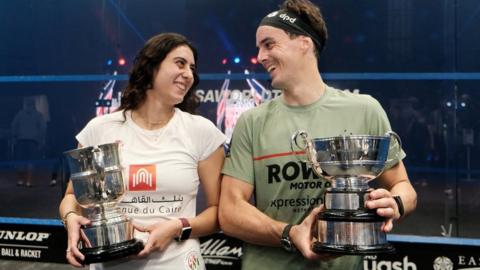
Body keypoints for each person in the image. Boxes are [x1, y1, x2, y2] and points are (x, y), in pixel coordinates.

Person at [218, 0, 417, 269]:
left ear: (304, 42)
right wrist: (290, 233)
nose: (261, 56)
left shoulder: (365, 109)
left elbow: (405, 188)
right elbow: (229, 212)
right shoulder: (251, 122)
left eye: (269, 44)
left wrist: (394, 203)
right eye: (259, 48)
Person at [59, 33, 225, 270]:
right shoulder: (99, 129)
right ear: (151, 66)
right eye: (180, 63)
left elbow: (220, 213)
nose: (188, 74)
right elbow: (72, 197)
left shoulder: (201, 131)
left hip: (179, 263)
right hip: (111, 265)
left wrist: (177, 226)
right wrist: (70, 218)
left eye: (192, 68)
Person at [11, 96, 46, 187]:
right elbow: (43, 129)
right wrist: (41, 140)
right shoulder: (38, 115)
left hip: (21, 141)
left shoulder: (20, 114)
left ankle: (20, 180)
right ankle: (28, 181)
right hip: (33, 142)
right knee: (31, 161)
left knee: (20, 161)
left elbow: (13, 126)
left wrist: (14, 137)